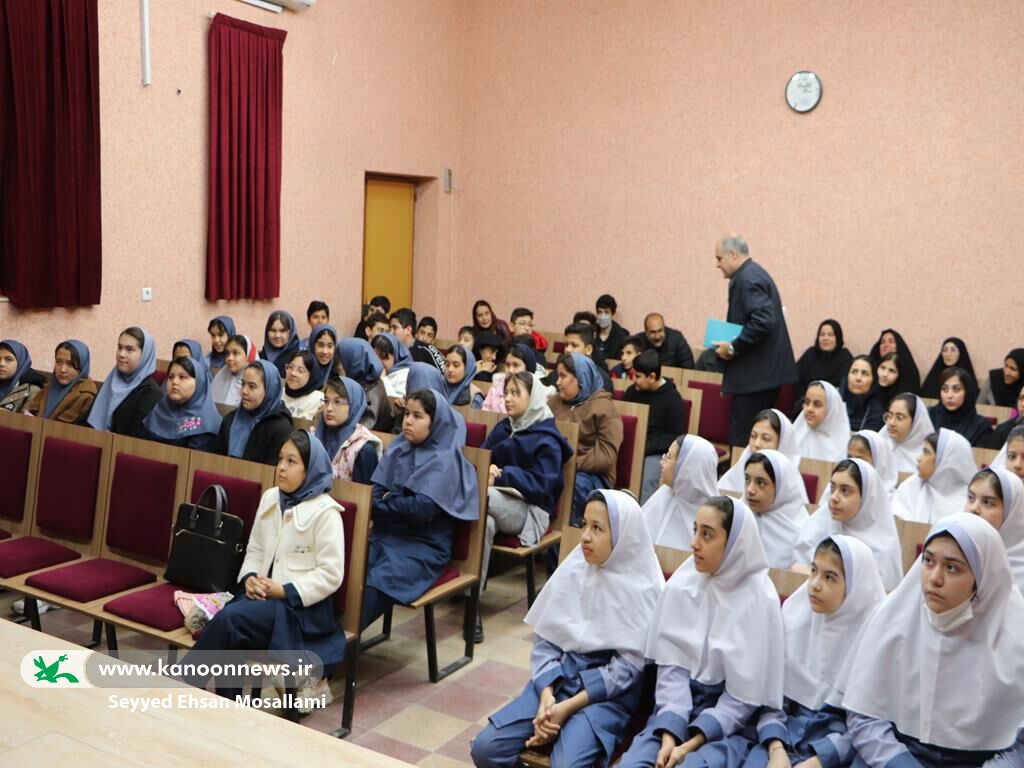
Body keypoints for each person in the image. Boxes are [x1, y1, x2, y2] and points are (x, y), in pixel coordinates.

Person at [472, 490, 664, 768]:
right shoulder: (575, 568)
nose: (584, 536)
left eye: (597, 528)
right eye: (584, 524)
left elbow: (626, 671)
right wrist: (548, 696)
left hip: (603, 698)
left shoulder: (644, 587)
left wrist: (566, 708)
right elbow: (546, 641)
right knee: (485, 749)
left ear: (623, 537)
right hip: (559, 680)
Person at [837, 514, 1024, 767]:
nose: (934, 578)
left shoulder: (1016, 637)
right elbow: (863, 716)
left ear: (982, 579)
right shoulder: (892, 619)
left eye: (952, 567)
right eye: (928, 561)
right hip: (896, 757)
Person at [181, 430, 346, 705]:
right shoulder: (271, 498)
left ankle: (184, 684)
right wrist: (248, 579)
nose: (281, 467)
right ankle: (227, 704)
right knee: (231, 628)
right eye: (280, 459)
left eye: (291, 462)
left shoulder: (325, 512)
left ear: (310, 469)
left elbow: (331, 574)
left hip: (299, 609)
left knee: (230, 620)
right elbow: (255, 549)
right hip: (261, 599)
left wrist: (285, 589)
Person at [617, 496, 783, 768]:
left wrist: (690, 744)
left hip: (728, 729)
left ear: (733, 542)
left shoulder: (759, 600)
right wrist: (670, 735)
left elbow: (743, 699)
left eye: (707, 535)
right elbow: (672, 670)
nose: (694, 543)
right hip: (675, 711)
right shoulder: (683, 583)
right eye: (695, 530)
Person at [743, 536, 885, 768]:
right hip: (779, 738)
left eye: (830, 577)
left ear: (855, 587)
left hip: (835, 754)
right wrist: (776, 749)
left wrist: (819, 760)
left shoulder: (873, 640)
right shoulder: (794, 617)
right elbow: (771, 701)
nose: (815, 584)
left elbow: (866, 727)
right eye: (813, 571)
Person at [360, 389, 479, 630]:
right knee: (349, 572)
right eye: (406, 414)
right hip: (385, 536)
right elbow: (371, 498)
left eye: (418, 416)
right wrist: (394, 501)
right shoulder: (398, 448)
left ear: (435, 423)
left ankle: (336, 650)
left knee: (376, 584)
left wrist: (387, 499)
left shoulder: (446, 459)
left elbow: (420, 511)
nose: (408, 421)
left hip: (422, 548)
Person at [478, 372, 574, 639]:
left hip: (531, 509)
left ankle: (469, 586)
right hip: (500, 503)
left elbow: (541, 484)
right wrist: (487, 469)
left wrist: (502, 474)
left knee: (481, 498)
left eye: (515, 393)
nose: (507, 399)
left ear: (532, 398)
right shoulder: (504, 428)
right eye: (505, 392)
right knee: (484, 522)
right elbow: (482, 457)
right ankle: (473, 598)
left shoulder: (547, 436)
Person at [711, 235, 798, 448]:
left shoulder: (747, 278)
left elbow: (763, 321)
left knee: (743, 440)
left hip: (756, 378)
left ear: (732, 254)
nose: (717, 265)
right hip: (761, 376)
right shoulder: (751, 274)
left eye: (719, 258)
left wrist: (732, 347)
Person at [794, 459, 903, 590]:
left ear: (866, 498)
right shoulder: (818, 524)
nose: (834, 497)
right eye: (832, 488)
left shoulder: (884, 549)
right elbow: (797, 570)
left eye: (845, 491)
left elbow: (878, 597)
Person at [548, 353, 623, 525]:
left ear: (580, 379)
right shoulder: (553, 403)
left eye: (563, 376)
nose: (557, 382)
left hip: (592, 475)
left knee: (572, 484)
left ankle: (564, 544)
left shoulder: (604, 408)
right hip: (555, 466)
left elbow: (606, 456)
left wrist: (569, 464)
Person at [624, 350, 688, 503]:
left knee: (646, 479)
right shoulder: (632, 393)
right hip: (629, 447)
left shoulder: (673, 399)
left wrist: (647, 446)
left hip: (656, 453)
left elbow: (675, 436)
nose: (634, 380)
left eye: (638, 376)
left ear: (652, 377)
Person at [642, 434, 719, 551]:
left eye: (669, 457)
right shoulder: (663, 494)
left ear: (686, 467)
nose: (662, 462)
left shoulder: (713, 518)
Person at [213, 360, 294, 465]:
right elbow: (215, 462)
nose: (244, 391)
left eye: (252, 386)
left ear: (270, 390)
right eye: (243, 384)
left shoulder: (281, 428)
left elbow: (273, 474)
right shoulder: (230, 420)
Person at [86, 327, 162, 436]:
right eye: (119, 347)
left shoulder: (152, 394)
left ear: (144, 354)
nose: (121, 354)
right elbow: (87, 421)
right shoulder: (111, 382)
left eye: (129, 349)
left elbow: (134, 439)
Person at [891, 429, 976, 523]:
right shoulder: (910, 487)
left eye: (926, 452)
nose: (918, 458)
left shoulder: (970, 503)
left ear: (944, 461)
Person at [142, 355, 222, 451]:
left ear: (199, 382)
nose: (174, 382)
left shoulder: (207, 421)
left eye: (182, 377)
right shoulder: (159, 410)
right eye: (171, 377)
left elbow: (192, 461)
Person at [742, 451, 805, 570]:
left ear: (782, 487)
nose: (750, 490)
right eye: (747, 479)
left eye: (760, 483)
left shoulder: (801, 533)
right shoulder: (735, 518)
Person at [719, 409, 803, 498]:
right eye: (753, 436)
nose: (757, 444)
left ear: (781, 444)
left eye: (766, 438)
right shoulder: (739, 470)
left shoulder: (791, 483)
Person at [964, 467, 1024, 591]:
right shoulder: (953, 547)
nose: (974, 509)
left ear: (1011, 513)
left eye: (988, 502)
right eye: (971, 498)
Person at [316, 376, 382, 483]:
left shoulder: (363, 449)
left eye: (337, 402)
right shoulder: (314, 436)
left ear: (353, 406)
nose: (329, 408)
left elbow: (364, 496)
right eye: (326, 401)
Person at [26, 340, 96, 423]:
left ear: (82, 367)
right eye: (59, 362)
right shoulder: (45, 390)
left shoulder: (87, 396)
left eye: (70, 364)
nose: (62, 370)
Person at [336, 338, 393, 432]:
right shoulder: (359, 384)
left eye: (342, 362)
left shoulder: (372, 391)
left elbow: (363, 429)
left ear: (354, 362)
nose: (339, 368)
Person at [928, 366, 992, 446]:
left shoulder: (981, 426)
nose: (949, 395)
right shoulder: (928, 416)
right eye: (944, 389)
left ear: (967, 392)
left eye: (956, 389)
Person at [480, 343, 552, 414]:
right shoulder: (495, 390)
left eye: (516, 365)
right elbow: (484, 415)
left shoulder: (540, 394)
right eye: (507, 365)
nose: (510, 370)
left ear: (528, 368)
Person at [795, 319, 854, 405]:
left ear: (837, 337)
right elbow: (797, 380)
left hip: (835, 405)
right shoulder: (810, 354)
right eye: (822, 334)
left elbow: (847, 388)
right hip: (808, 403)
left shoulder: (845, 357)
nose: (825, 338)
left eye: (830, 335)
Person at [793, 381, 851, 462]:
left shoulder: (844, 446)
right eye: (807, 402)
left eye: (817, 404)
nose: (809, 409)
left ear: (831, 410)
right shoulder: (795, 436)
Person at [879, 392, 934, 474]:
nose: (891, 423)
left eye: (899, 418)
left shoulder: (927, 457)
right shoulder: (879, 446)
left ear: (916, 423)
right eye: (889, 416)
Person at [556, 322, 613, 393]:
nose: (568, 350)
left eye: (574, 345)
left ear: (588, 350)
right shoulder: (557, 374)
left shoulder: (602, 380)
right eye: (566, 345)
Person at [847, 429, 899, 499]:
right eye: (849, 457)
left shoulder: (892, 501)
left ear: (878, 462)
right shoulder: (837, 490)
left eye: (860, 459)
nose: (852, 464)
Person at [840, 355, 885, 432]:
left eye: (864, 373)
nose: (858, 378)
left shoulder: (878, 415)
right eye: (854, 372)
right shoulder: (834, 404)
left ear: (873, 380)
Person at [868, 329, 920, 394]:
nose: (886, 345)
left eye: (891, 342)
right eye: (882, 342)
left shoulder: (909, 370)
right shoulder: (870, 367)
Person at [211, 334, 257, 408]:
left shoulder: (257, 382)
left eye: (235, 353)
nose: (229, 358)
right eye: (227, 354)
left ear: (248, 356)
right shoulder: (221, 376)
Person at [0, 340, 43, 414]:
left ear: (20, 363)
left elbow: (25, 423)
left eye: (8, 359)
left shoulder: (31, 391)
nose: (1, 364)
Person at [281, 350, 323, 421]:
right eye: (290, 367)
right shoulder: (279, 393)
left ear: (311, 375)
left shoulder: (318, 400)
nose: (293, 373)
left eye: (300, 370)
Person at [371, 332, 413, 398]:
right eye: (375, 357)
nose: (379, 362)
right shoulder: (372, 371)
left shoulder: (405, 375)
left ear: (395, 354)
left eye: (383, 356)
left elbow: (396, 401)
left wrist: (383, 379)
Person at [259, 310, 300, 378]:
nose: (277, 335)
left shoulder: (298, 358)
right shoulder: (260, 357)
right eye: (273, 330)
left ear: (290, 332)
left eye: (282, 331)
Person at [594, 294, 630, 361]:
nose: (602, 316)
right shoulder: (592, 332)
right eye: (600, 312)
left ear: (613, 314)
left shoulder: (622, 336)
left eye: (606, 312)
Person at [306, 324, 337, 389]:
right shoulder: (302, 369)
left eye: (330, 346)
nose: (325, 351)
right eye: (320, 345)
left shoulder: (339, 373)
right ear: (312, 345)